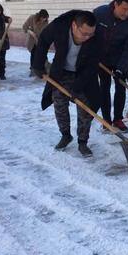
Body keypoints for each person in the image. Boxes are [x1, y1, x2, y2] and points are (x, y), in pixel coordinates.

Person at [32, 10, 99, 157]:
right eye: (84, 33)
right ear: (74, 26)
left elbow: (92, 66)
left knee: (85, 108)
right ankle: (65, 135)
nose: (87, 37)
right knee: (59, 102)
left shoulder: (95, 36)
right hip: (61, 71)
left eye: (90, 34)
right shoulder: (59, 26)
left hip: (83, 74)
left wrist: (77, 87)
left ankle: (83, 142)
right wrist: (37, 64)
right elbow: (43, 40)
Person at [94, 0, 128, 132]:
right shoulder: (99, 14)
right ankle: (106, 120)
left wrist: (121, 68)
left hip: (120, 59)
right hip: (101, 58)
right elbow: (90, 35)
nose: (127, 13)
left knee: (120, 87)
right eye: (124, 9)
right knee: (104, 87)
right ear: (115, 4)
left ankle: (118, 119)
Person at [22, 9, 49, 76]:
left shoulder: (46, 22)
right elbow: (24, 27)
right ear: (39, 16)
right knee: (34, 54)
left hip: (41, 41)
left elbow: (46, 32)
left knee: (42, 55)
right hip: (32, 41)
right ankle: (33, 70)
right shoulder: (32, 18)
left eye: (45, 18)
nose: (44, 20)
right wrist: (31, 32)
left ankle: (42, 69)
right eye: (43, 18)